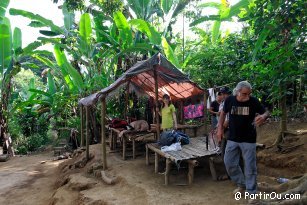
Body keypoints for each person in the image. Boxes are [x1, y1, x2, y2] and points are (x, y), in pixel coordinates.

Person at [217, 81, 269, 195]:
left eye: (249, 94)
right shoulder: (230, 100)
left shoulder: (254, 101)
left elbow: (266, 111)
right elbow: (223, 114)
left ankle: (252, 192)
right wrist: (220, 129)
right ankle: (242, 184)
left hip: (249, 139)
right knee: (229, 163)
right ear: (237, 91)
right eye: (244, 94)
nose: (247, 96)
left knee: (250, 167)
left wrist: (263, 116)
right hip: (233, 138)